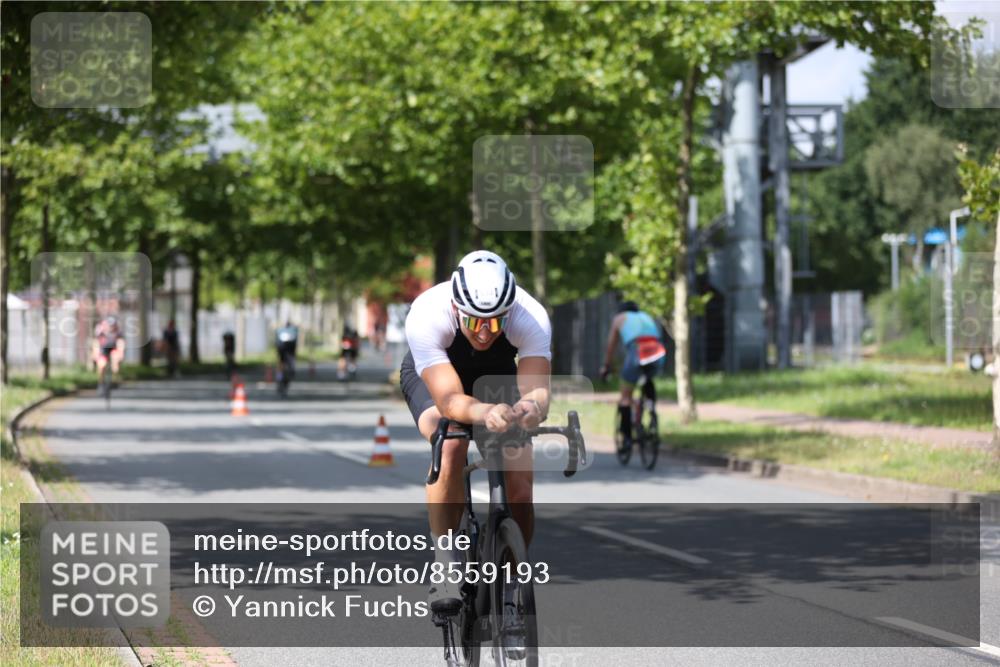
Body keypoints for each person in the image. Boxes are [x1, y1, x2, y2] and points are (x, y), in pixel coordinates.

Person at [400, 250, 551, 613]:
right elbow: (450, 398)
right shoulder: (426, 314)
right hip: (439, 375)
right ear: (456, 308)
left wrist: (529, 409)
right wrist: (485, 412)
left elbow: (536, 390)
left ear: (509, 312)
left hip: (497, 375)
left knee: (520, 484)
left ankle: (513, 580)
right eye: (475, 322)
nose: (484, 332)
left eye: (495, 323)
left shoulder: (531, 316)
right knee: (449, 440)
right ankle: (446, 563)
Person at [600, 301, 667, 443]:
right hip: (657, 351)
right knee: (647, 378)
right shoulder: (646, 316)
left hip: (638, 350)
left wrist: (606, 366)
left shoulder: (619, 318)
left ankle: (627, 437)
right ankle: (651, 407)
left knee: (625, 397)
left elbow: (611, 346)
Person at [92, 315, 126, 381]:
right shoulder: (100, 330)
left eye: (113, 325)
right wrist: (95, 352)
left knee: (115, 360)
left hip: (114, 348)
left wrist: (121, 352)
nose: (111, 327)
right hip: (103, 349)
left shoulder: (118, 331)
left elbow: (121, 342)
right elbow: (96, 342)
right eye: (109, 325)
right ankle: (101, 381)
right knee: (102, 365)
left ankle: (114, 378)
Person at [275, 320, 299, 387]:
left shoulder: (280, 330)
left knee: (281, 363)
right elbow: (295, 343)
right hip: (288, 350)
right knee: (290, 361)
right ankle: (290, 372)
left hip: (283, 350)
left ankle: (279, 376)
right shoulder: (293, 330)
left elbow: (277, 342)